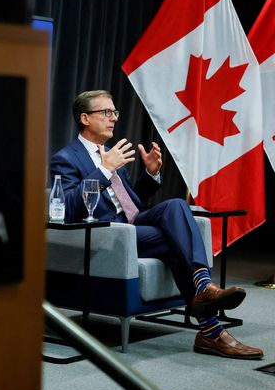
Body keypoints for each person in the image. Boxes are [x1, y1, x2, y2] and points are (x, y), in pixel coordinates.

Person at [50, 90, 263, 360]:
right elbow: (66, 208)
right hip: (110, 235)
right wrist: (103, 170)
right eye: (106, 112)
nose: (113, 118)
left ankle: (203, 290)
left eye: (115, 112)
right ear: (84, 118)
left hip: (133, 224)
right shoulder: (67, 158)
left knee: (175, 205)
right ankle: (211, 328)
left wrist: (151, 174)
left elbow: (131, 201)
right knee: (178, 242)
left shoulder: (111, 153)